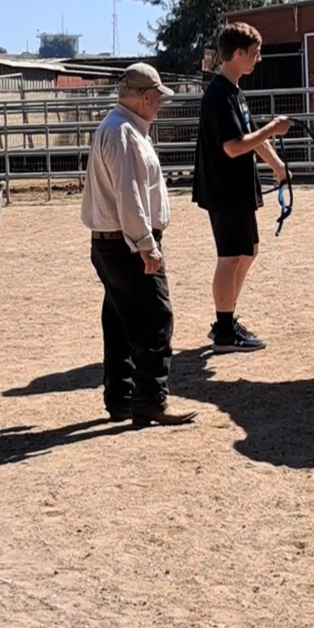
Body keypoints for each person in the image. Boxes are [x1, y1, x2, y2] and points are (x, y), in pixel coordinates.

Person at [81, 62, 195, 429]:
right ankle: (149, 400)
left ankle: (121, 398)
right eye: (158, 97)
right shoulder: (125, 133)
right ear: (146, 96)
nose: (160, 104)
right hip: (128, 242)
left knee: (118, 321)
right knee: (155, 319)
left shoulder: (117, 127)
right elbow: (129, 196)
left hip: (112, 242)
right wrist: (146, 243)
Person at [192, 22, 291, 351]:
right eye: (254, 53)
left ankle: (226, 318)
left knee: (247, 252)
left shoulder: (234, 92)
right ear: (237, 54)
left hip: (237, 188)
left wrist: (277, 166)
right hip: (225, 188)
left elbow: (249, 137)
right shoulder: (219, 94)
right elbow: (234, 146)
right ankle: (223, 330)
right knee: (231, 256)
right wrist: (273, 129)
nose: (258, 59)